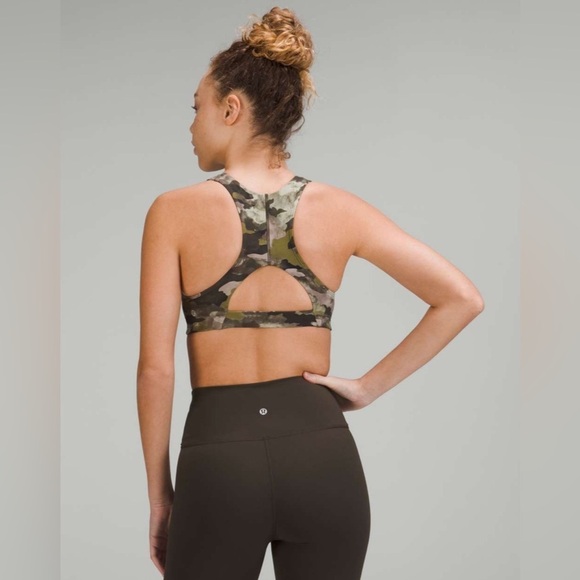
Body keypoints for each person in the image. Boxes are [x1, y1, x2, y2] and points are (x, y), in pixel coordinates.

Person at [136, 7, 484, 580]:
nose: (191, 124)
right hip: (323, 457)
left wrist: (161, 498)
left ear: (231, 108)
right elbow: (461, 298)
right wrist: (366, 389)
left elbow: (156, 369)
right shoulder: (339, 209)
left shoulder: (173, 212)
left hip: (220, 461)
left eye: (196, 107)